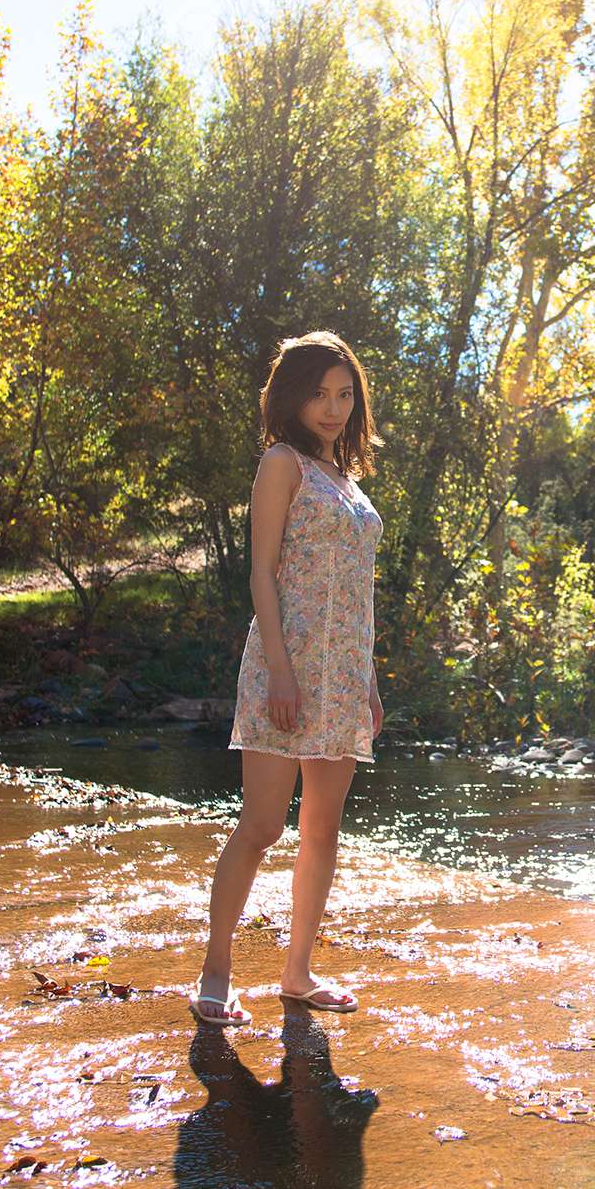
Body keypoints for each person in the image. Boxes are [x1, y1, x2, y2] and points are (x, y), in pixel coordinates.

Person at [190, 330, 385, 1026]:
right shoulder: (282, 464)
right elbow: (261, 573)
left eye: (344, 394)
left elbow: (358, 592)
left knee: (323, 830)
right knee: (262, 825)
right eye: (318, 394)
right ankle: (216, 973)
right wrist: (279, 668)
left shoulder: (348, 482)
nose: (332, 408)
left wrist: (368, 682)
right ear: (292, 398)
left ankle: (297, 973)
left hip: (343, 676)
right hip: (286, 666)